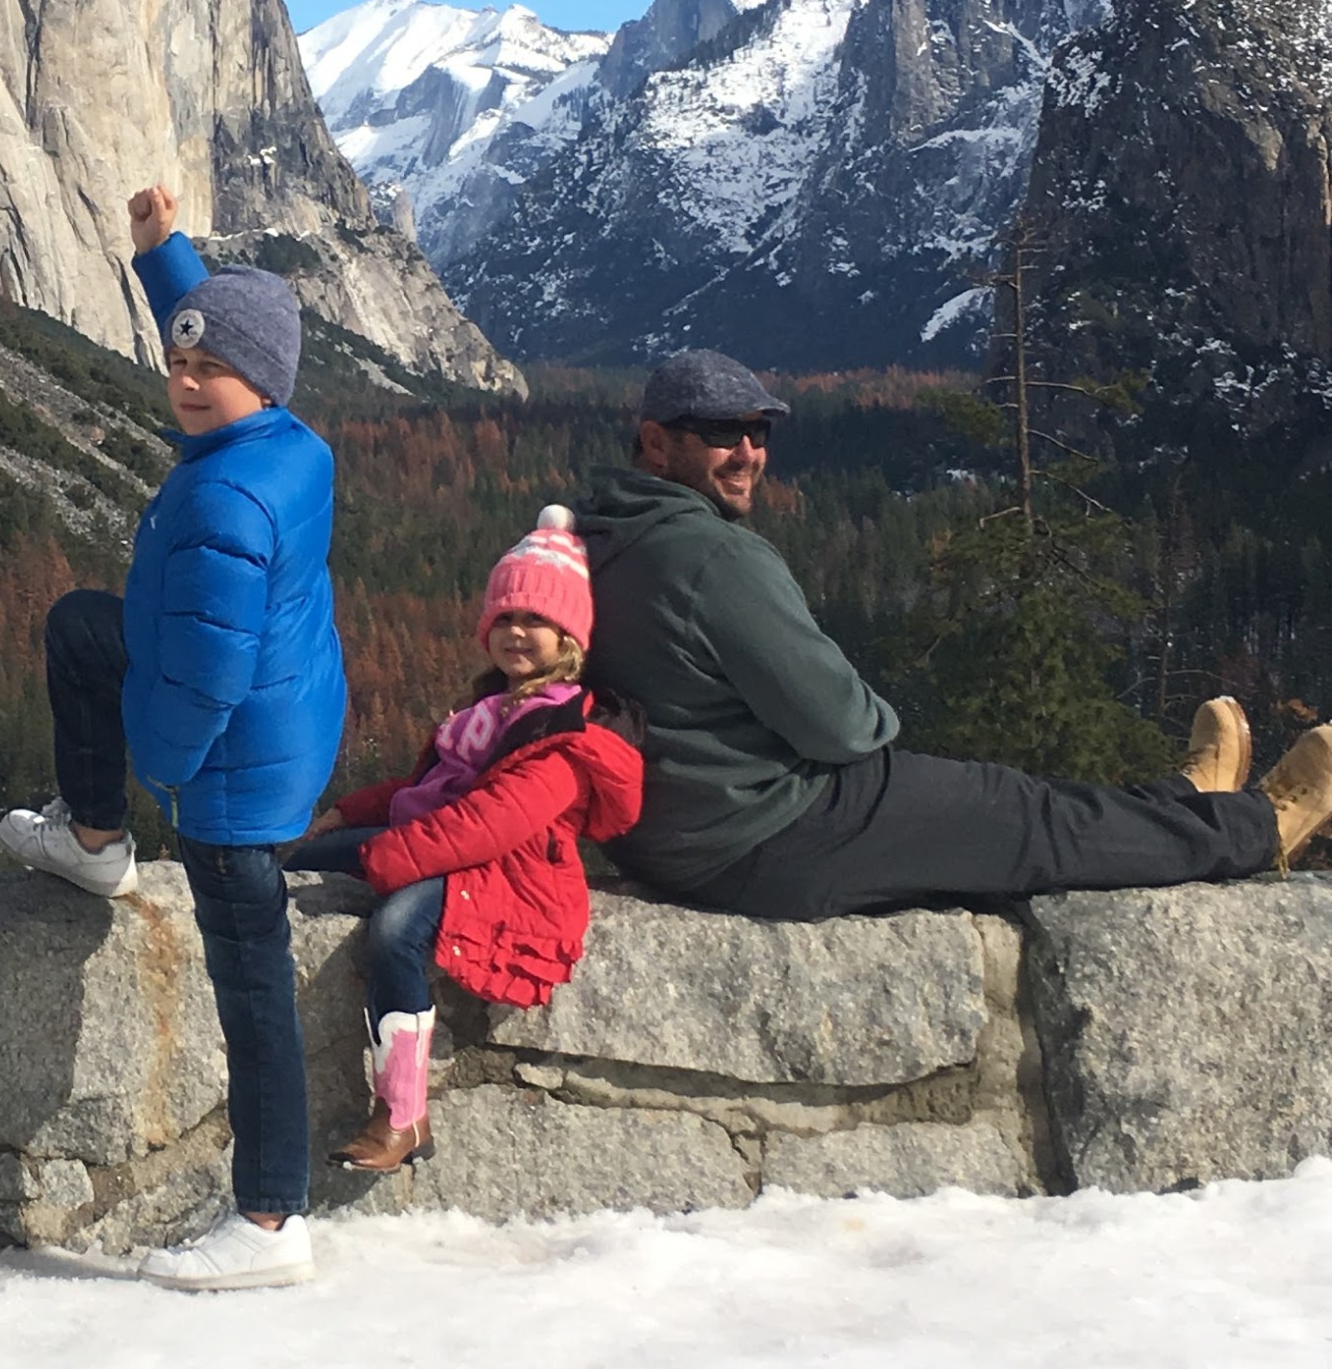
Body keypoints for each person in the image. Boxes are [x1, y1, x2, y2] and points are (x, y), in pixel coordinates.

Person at [579, 348, 1332, 920]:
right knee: (1022, 813)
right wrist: (877, 715)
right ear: (656, 443)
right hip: (767, 835)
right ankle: (1257, 830)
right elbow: (845, 726)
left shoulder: (593, 536)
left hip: (671, 835)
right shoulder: (711, 556)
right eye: (721, 433)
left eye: (758, 430)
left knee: (1017, 804)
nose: (748, 452)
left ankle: (1182, 802)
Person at [0, 185, 344, 1291]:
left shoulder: (225, 504)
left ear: (260, 382)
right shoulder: (285, 441)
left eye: (208, 371)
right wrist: (162, 256)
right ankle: (94, 842)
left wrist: (168, 777)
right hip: (283, 720)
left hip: (228, 771)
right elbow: (227, 331)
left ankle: (271, 1219)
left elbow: (205, 675)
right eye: (177, 364)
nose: (187, 382)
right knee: (81, 627)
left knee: (254, 990)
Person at [288, 509, 643, 1172]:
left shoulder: (565, 736)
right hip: (453, 852)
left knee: (397, 928)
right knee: (302, 863)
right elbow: (431, 787)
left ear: (568, 636)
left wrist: (382, 856)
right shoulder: (492, 711)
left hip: (512, 877)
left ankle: (400, 1115)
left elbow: (491, 822)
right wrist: (349, 813)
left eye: (535, 620)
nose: (516, 632)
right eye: (505, 618)